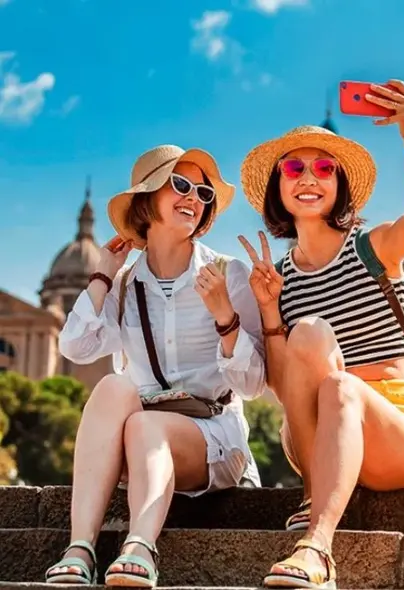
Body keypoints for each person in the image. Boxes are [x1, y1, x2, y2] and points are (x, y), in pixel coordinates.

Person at [238, 80, 404, 588]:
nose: (310, 177)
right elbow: (287, 390)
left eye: (325, 168)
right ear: (278, 187)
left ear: (340, 185)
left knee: (343, 387)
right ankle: (315, 495)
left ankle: (318, 546)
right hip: (315, 435)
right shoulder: (278, 278)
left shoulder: (370, 248)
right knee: (306, 339)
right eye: (294, 168)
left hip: (397, 435)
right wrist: (268, 310)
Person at [45, 146, 267, 587]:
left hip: (211, 436)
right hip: (137, 440)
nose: (194, 197)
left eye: (202, 191)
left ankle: (140, 545)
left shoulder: (229, 274)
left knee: (146, 427)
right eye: (180, 185)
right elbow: (74, 347)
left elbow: (255, 384)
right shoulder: (125, 284)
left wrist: (225, 317)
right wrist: (102, 275)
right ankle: (79, 548)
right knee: (112, 387)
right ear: (146, 200)